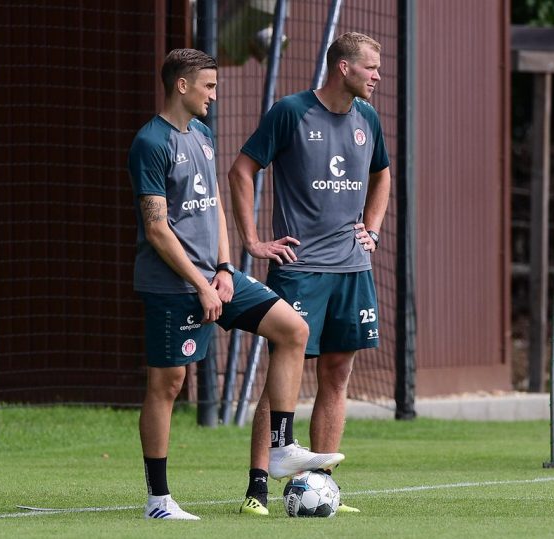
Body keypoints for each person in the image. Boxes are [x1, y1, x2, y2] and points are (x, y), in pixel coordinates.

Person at [127, 48, 344, 521]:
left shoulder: (203, 135)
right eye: (208, 85)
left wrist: (225, 269)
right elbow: (158, 228)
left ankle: (282, 447)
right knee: (169, 384)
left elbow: (215, 209)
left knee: (292, 330)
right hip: (173, 285)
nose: (214, 94)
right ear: (182, 86)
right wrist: (200, 284)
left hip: (216, 277)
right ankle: (158, 500)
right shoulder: (150, 142)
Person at [228, 32, 391, 516]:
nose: (378, 77)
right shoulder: (291, 111)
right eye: (370, 68)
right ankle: (257, 488)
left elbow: (382, 172)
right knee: (284, 378)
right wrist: (253, 241)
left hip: (352, 268)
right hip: (300, 270)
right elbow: (241, 170)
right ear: (343, 68)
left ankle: (319, 487)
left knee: (337, 375)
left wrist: (374, 229)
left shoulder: (369, 119)